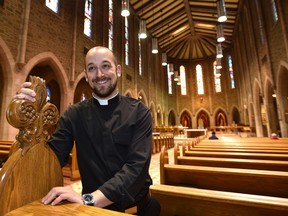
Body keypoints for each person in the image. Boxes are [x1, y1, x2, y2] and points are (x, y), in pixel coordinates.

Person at [15, 46, 160, 215]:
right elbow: (50, 159)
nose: (99, 74)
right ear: (86, 74)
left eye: (106, 66)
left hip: (138, 210)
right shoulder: (74, 114)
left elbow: (136, 168)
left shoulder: (139, 111)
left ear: (118, 70)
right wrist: (25, 116)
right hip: (92, 212)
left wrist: (90, 199)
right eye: (92, 68)